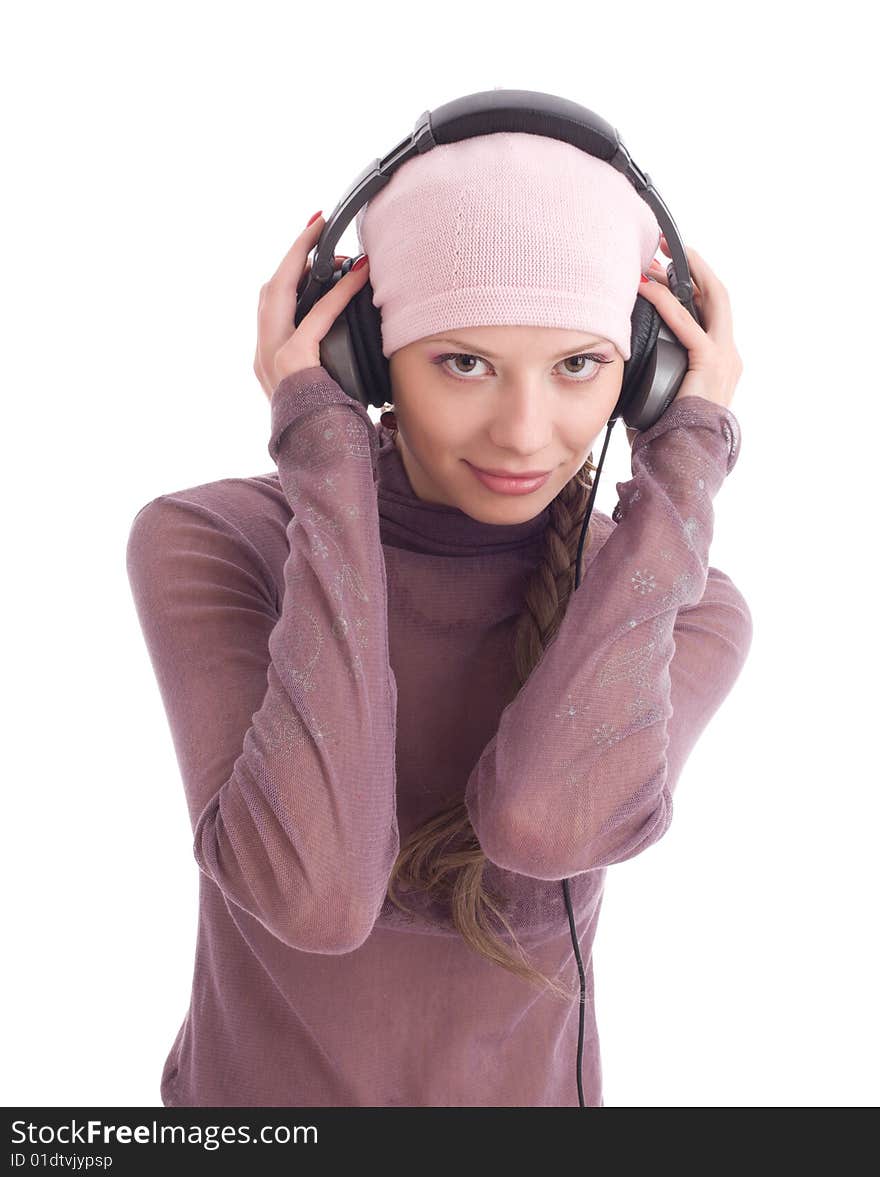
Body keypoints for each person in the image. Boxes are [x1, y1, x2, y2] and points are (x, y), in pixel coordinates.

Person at [125, 132, 752, 1107]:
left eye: (581, 365)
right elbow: (317, 893)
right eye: (463, 362)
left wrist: (687, 464)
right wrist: (323, 456)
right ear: (362, 356)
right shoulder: (212, 541)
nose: (522, 429)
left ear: (646, 377)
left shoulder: (677, 604)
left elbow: (543, 822)